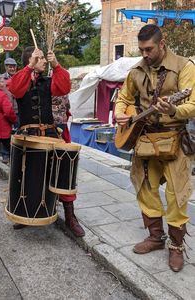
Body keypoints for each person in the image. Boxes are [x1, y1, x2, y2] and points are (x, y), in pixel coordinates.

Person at [115, 24, 195, 272]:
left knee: (176, 194)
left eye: (149, 49)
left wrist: (173, 109)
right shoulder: (136, 70)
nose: (145, 54)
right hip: (145, 140)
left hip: (174, 138)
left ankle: (176, 246)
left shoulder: (184, 66)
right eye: (141, 50)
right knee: (145, 187)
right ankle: (155, 236)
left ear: (162, 44)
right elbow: (124, 98)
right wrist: (120, 115)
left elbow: (192, 103)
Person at [9, 47, 85, 237]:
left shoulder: (48, 81)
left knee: (62, 173)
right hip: (28, 136)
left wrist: (56, 64)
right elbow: (15, 89)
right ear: (31, 60)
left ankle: (70, 216)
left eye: (44, 58)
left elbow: (64, 87)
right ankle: (25, 213)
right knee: (27, 176)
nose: (44, 60)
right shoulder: (21, 78)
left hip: (49, 133)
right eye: (40, 58)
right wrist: (29, 67)